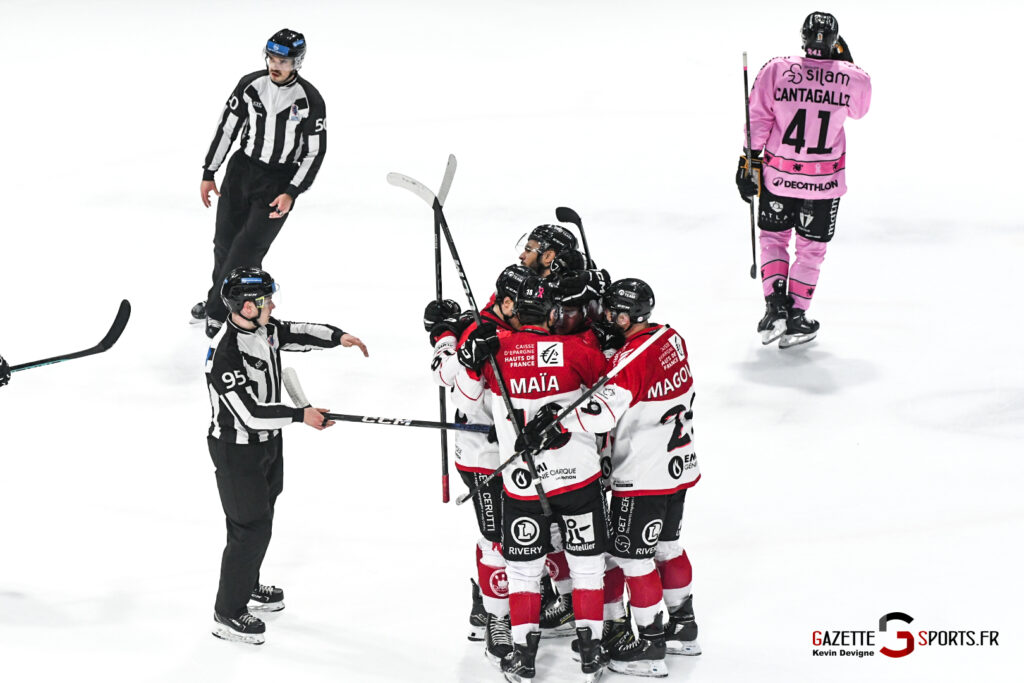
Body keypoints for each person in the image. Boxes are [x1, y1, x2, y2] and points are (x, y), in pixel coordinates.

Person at [527, 278, 702, 676]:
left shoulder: (630, 361)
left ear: (626, 315)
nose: (604, 316)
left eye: (611, 312)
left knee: (632, 559)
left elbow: (601, 410)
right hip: (678, 465)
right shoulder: (671, 338)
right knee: (668, 548)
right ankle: (683, 628)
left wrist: (556, 423)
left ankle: (650, 646)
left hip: (642, 475)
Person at [455, 275, 609, 682]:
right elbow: (609, 400)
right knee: (588, 567)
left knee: (523, 572)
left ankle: (523, 658)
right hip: (579, 479)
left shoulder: (497, 348)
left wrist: (471, 360)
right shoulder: (580, 347)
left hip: (522, 482)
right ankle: (592, 653)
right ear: (554, 312)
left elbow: (467, 401)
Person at [205, 266, 367, 645]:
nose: (272, 305)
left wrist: (339, 337)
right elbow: (248, 413)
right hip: (237, 451)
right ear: (246, 307)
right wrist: (300, 415)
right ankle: (227, 613)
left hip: (269, 444)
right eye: (265, 301)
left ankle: (247, 584)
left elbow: (298, 331)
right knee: (249, 528)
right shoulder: (226, 353)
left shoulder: (265, 329)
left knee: (263, 516)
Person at [736, 11, 871, 347]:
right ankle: (797, 316)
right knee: (811, 250)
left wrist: (747, 162)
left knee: (773, 239)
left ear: (803, 37)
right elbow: (860, 109)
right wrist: (845, 62)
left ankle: (774, 309)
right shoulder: (853, 77)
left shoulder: (776, 69)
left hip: (778, 177)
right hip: (823, 183)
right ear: (836, 40)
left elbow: (758, 119)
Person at [422, 264, 531, 664]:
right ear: (505, 303)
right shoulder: (474, 331)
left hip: (521, 451)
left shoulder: (511, 320)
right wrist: (463, 354)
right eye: (524, 308)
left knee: (534, 533)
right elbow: (455, 387)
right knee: (497, 537)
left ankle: (515, 602)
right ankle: (495, 616)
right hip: (484, 456)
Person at [194, 28, 328, 338]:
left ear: (297, 62)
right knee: (223, 245)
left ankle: (217, 312)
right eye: (271, 57)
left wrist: (292, 192)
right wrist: (209, 172)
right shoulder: (250, 84)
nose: (275, 64)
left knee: (246, 252)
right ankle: (223, 300)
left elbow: (314, 152)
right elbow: (226, 129)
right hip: (241, 172)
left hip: (277, 181)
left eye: (283, 59)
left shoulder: (310, 100)